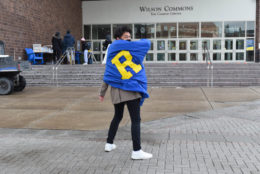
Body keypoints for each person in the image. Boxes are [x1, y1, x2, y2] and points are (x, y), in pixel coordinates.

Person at [99, 26, 153, 160]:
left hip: (116, 93)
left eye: (129, 37)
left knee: (117, 117)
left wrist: (102, 92)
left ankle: (109, 143)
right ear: (118, 38)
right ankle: (136, 151)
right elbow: (146, 43)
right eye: (125, 37)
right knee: (136, 120)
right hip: (130, 91)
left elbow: (108, 72)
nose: (129, 40)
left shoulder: (111, 50)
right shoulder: (129, 51)